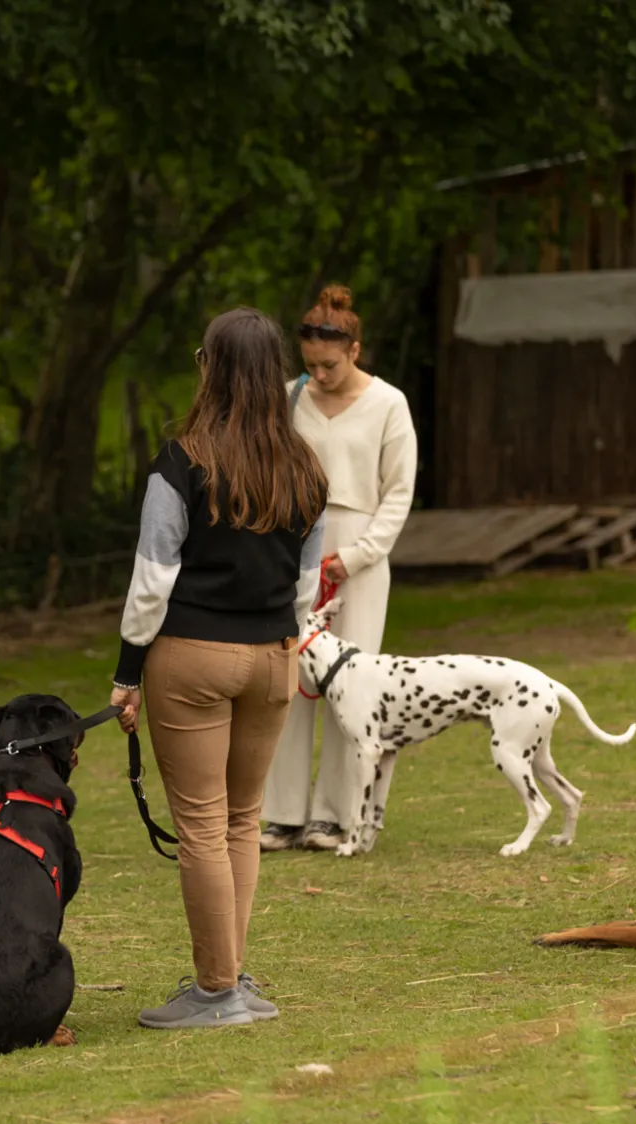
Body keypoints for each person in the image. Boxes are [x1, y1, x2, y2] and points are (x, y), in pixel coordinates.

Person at [109, 308, 329, 1029]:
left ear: (211, 367)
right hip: (273, 658)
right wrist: (284, 640)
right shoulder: (305, 468)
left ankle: (215, 990)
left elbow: (151, 580)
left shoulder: (182, 461)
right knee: (242, 820)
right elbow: (305, 583)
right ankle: (229, 975)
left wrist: (126, 672)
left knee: (202, 825)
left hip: (194, 655)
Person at [259, 285, 418, 852]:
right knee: (287, 678)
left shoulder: (388, 404)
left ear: (354, 349)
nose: (319, 376)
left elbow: (398, 493)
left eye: (328, 364)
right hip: (294, 547)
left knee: (352, 686)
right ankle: (282, 812)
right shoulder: (288, 398)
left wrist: (353, 557)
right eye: (309, 366)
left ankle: (336, 813)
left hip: (360, 553)